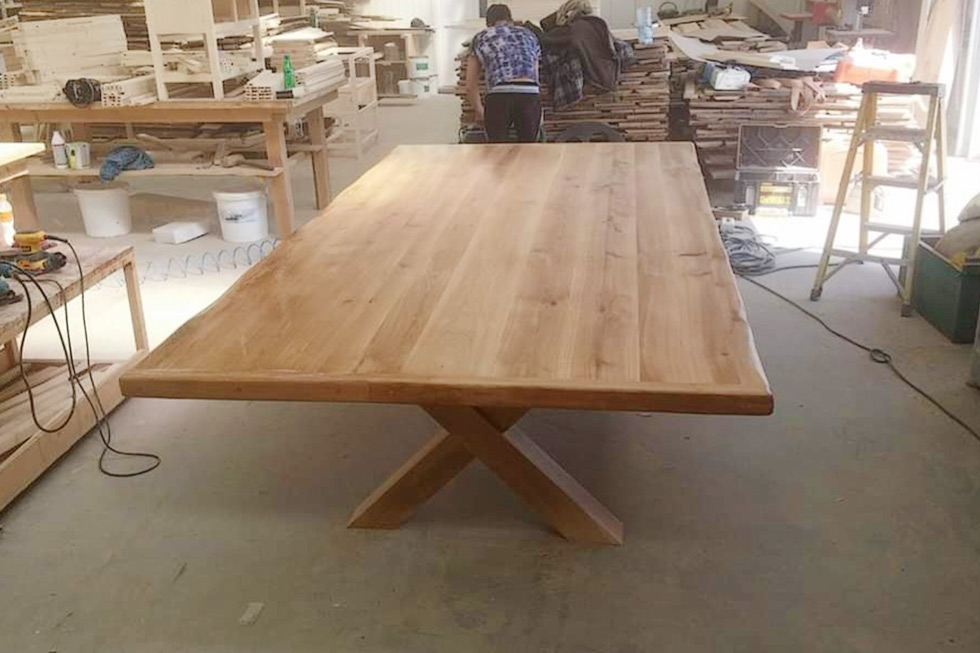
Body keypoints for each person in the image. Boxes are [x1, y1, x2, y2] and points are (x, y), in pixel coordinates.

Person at [466, 4, 542, 143]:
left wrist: (479, 110)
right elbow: (535, 76)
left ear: (488, 23)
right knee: (529, 149)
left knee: (496, 149)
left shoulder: (481, 37)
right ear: (510, 19)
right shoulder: (529, 35)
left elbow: (470, 85)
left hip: (499, 94)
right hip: (529, 93)